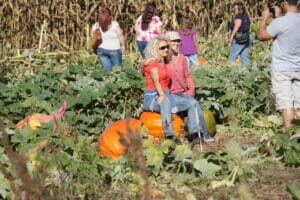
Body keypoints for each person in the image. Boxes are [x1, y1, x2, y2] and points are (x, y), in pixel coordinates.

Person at [164, 31, 214, 142]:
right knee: (193, 103)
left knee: (194, 103)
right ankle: (196, 134)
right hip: (170, 94)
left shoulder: (182, 58)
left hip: (182, 92)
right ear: (167, 43)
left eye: (178, 41)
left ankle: (202, 134)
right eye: (174, 41)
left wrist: (191, 89)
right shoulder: (163, 60)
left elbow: (187, 76)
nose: (177, 43)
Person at [258, 0, 300, 128]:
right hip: (298, 67)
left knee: (286, 104)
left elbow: (262, 36)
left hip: (282, 70)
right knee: (299, 103)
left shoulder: (280, 23)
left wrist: (265, 18)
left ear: (285, 3)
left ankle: (290, 138)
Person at [142, 37, 178, 140]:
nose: (166, 49)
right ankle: (169, 135)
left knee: (186, 103)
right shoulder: (152, 63)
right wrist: (162, 95)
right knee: (165, 102)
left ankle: (192, 131)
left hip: (165, 92)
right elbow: (156, 82)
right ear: (155, 49)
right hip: (151, 96)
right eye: (162, 48)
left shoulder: (166, 63)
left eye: (167, 47)